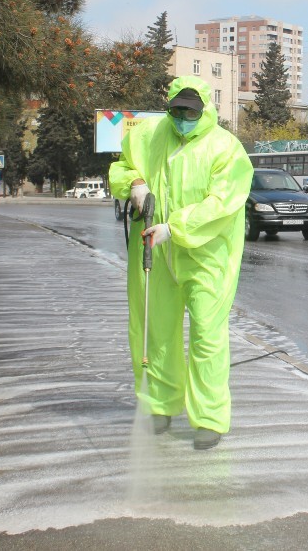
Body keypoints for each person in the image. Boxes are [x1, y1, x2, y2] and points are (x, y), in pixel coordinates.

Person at [109, 75, 253, 450]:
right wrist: (135, 183)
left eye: (191, 112)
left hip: (207, 255)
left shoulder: (226, 148)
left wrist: (175, 228)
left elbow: (223, 202)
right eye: (177, 111)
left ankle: (209, 418)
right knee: (156, 331)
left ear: (205, 110)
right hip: (153, 252)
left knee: (207, 335)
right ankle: (159, 405)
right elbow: (121, 167)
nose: (183, 118)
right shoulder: (147, 135)